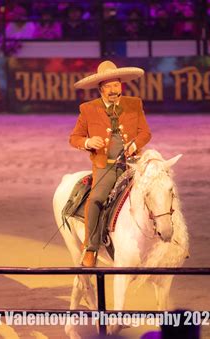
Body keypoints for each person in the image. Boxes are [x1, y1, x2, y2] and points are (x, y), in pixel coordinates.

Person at [69, 60, 152, 267]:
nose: (114, 90)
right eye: (108, 87)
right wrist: (88, 142)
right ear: (101, 89)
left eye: (116, 85)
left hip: (132, 163)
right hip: (105, 166)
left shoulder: (134, 104)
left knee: (159, 190)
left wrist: (134, 145)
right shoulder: (88, 109)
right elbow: (74, 138)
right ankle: (91, 247)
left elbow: (145, 133)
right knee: (96, 198)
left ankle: (170, 239)